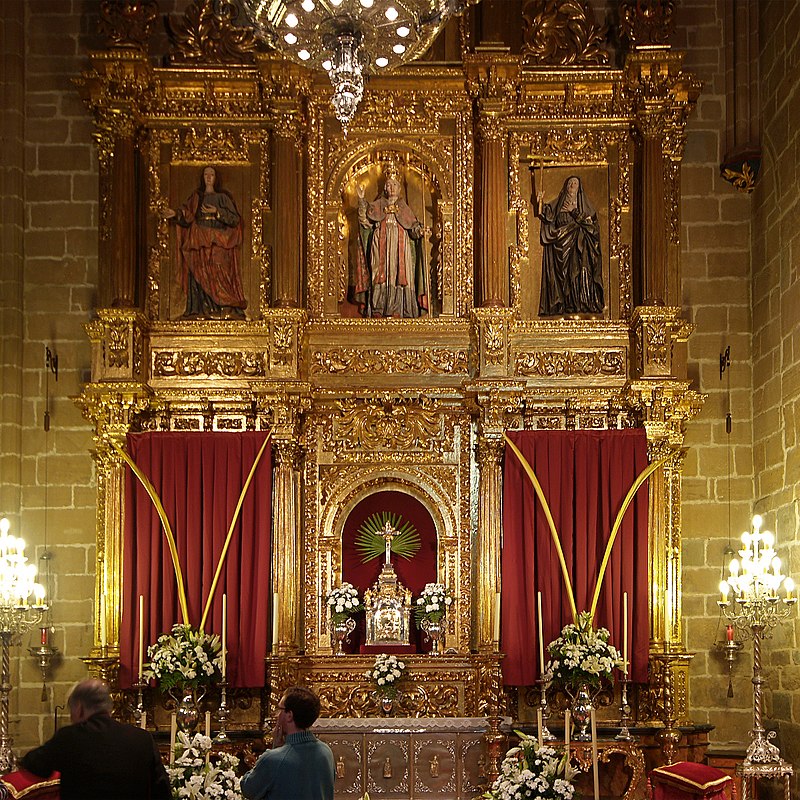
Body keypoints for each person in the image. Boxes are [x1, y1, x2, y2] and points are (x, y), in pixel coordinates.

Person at [19, 678, 170, 800]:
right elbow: (161, 789)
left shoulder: (70, 737)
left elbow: (36, 764)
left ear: (79, 707)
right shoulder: (142, 738)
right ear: (108, 707)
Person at [165, 165, 247, 320]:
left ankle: (223, 307)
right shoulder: (197, 197)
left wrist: (216, 213)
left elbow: (234, 219)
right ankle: (201, 309)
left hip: (218, 242)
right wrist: (175, 213)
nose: (209, 177)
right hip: (199, 241)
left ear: (216, 178)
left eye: (212, 174)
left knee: (218, 274)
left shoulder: (223, 198)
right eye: (206, 174)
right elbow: (188, 215)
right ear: (202, 178)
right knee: (199, 272)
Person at [353, 170, 429, 318]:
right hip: (380, 244)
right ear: (385, 188)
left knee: (398, 274)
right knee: (379, 273)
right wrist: (362, 200)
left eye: (394, 184)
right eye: (389, 185)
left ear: (399, 188)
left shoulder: (404, 208)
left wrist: (420, 231)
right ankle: (378, 308)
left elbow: (412, 227)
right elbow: (365, 221)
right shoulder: (377, 205)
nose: (391, 188)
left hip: (400, 246)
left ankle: (400, 309)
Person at [241, 686, 334, 800]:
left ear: (289, 715)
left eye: (279, 709)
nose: (276, 714)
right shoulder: (326, 752)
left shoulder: (272, 759)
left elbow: (248, 789)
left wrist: (274, 750)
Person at [535, 175, 604, 316]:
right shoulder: (559, 203)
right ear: (566, 187)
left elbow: (592, 228)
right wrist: (540, 201)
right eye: (570, 182)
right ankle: (564, 304)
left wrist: (575, 211)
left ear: (579, 188)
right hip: (561, 244)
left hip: (580, 246)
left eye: (575, 183)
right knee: (564, 275)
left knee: (577, 273)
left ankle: (579, 304)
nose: (572, 184)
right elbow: (547, 215)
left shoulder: (584, 205)